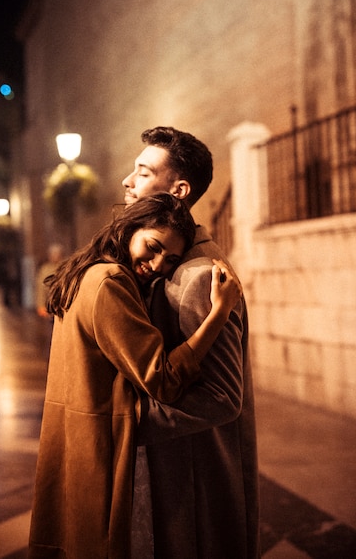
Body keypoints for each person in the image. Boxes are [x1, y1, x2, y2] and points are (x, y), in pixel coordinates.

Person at [28, 193, 242, 559]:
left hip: (74, 435)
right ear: (129, 228)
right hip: (99, 438)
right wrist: (218, 314)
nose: (158, 264)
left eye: (170, 259)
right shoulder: (110, 281)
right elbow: (163, 379)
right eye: (153, 246)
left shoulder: (87, 270)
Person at [122, 127, 261, 559]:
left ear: (178, 190)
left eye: (143, 172)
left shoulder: (200, 275)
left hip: (193, 488)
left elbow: (221, 398)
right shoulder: (171, 259)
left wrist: (127, 425)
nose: (128, 181)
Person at [35, 243, 65, 318]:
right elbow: (40, 288)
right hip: (50, 303)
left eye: (57, 254)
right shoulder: (45, 269)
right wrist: (41, 305)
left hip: (63, 303)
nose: (55, 256)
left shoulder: (65, 267)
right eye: (53, 254)